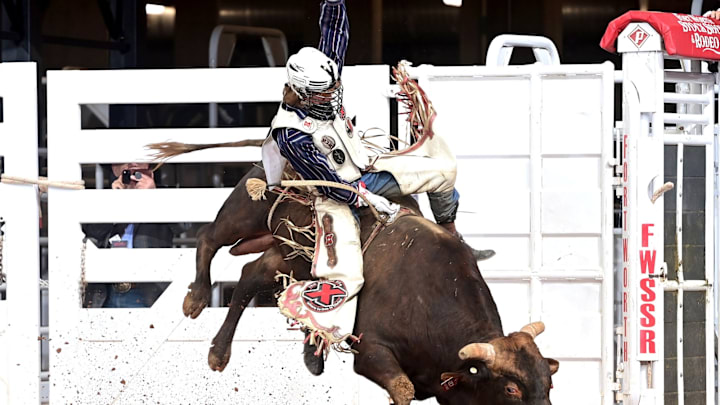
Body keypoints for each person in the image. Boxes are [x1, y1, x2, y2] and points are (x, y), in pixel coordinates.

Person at [262, 0, 494, 374]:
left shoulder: (322, 80)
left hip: (365, 167)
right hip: (335, 195)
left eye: (331, 88)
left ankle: (452, 234)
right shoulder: (289, 132)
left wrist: (334, 2)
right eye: (322, 94)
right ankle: (315, 335)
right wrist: (366, 197)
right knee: (346, 273)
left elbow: (334, 35)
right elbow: (329, 182)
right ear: (303, 93)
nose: (331, 96)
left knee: (443, 169)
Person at [82, 163, 185, 308]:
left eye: (139, 158)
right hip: (105, 289)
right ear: (114, 168)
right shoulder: (104, 196)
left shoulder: (164, 193)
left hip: (148, 288)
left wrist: (154, 196)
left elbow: (183, 225)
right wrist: (113, 201)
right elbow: (93, 231)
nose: (132, 163)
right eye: (124, 159)